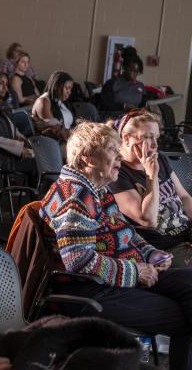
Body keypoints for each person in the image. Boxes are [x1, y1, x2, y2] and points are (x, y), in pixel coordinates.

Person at [39, 120, 192, 370]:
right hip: (91, 292)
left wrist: (150, 254)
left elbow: (127, 233)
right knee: (183, 316)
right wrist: (136, 272)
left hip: (119, 280)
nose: (120, 155)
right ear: (88, 158)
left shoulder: (98, 191)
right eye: (112, 150)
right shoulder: (75, 196)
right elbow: (79, 259)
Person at [111, 109, 192, 267]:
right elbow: (148, 221)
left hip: (187, 235)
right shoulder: (116, 172)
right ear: (127, 139)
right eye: (148, 137)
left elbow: (184, 197)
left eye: (156, 137)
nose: (155, 145)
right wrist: (151, 176)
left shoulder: (159, 157)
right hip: (166, 249)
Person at [31, 70, 74, 144]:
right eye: (67, 88)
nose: (69, 92)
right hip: (54, 144)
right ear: (56, 86)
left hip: (67, 139)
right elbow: (56, 130)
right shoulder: (43, 101)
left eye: (70, 89)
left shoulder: (58, 100)